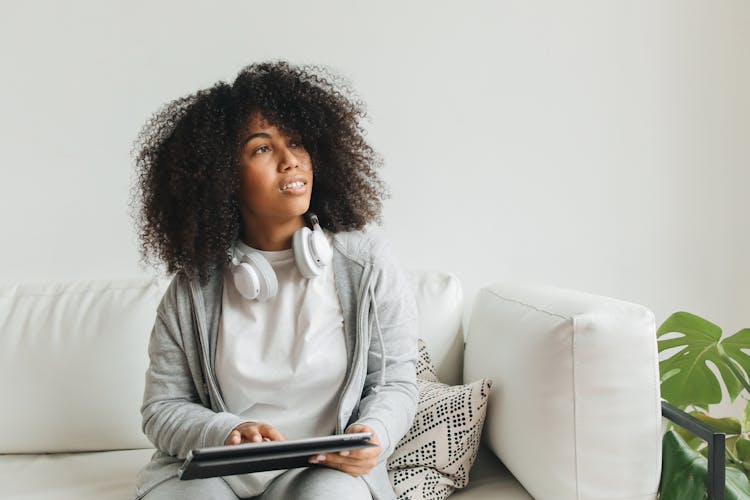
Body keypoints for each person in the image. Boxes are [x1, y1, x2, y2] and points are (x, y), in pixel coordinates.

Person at [130, 61, 418, 500]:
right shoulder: (193, 288)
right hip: (219, 472)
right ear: (222, 177)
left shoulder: (365, 263)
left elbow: (395, 380)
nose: (291, 161)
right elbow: (161, 409)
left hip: (322, 473)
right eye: (262, 149)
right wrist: (227, 431)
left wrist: (373, 433)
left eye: (297, 142)